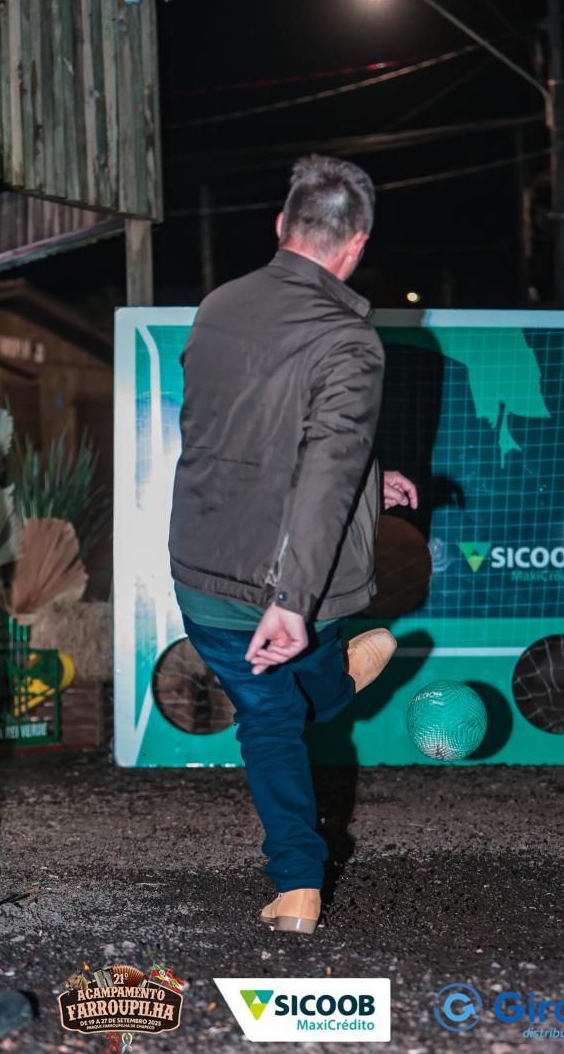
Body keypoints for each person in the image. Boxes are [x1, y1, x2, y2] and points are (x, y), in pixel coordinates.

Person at [168, 154, 417, 935]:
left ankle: (298, 887)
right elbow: (321, 469)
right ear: (357, 245)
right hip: (304, 586)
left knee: (267, 716)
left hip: (202, 567)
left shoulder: (216, 305)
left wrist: (367, 479)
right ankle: (334, 683)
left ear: (281, 225)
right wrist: (291, 599)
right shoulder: (351, 340)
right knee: (296, 693)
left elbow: (259, 437)